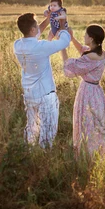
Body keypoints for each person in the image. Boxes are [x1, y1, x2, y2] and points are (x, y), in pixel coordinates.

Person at [14, 12, 70, 148]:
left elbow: (34, 34)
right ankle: (43, 158)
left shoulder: (17, 45)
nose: (38, 28)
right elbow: (64, 42)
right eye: (36, 26)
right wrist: (62, 24)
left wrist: (49, 18)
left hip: (29, 94)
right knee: (48, 130)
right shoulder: (41, 47)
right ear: (33, 29)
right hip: (45, 95)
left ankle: (30, 153)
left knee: (32, 127)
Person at [60, 24, 105, 156]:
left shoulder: (91, 57)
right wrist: (72, 38)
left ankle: (86, 156)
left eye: (86, 34)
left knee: (86, 123)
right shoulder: (101, 53)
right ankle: (97, 154)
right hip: (97, 92)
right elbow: (83, 50)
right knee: (95, 124)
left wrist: (62, 47)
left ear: (92, 38)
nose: (84, 36)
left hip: (87, 92)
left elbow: (70, 68)